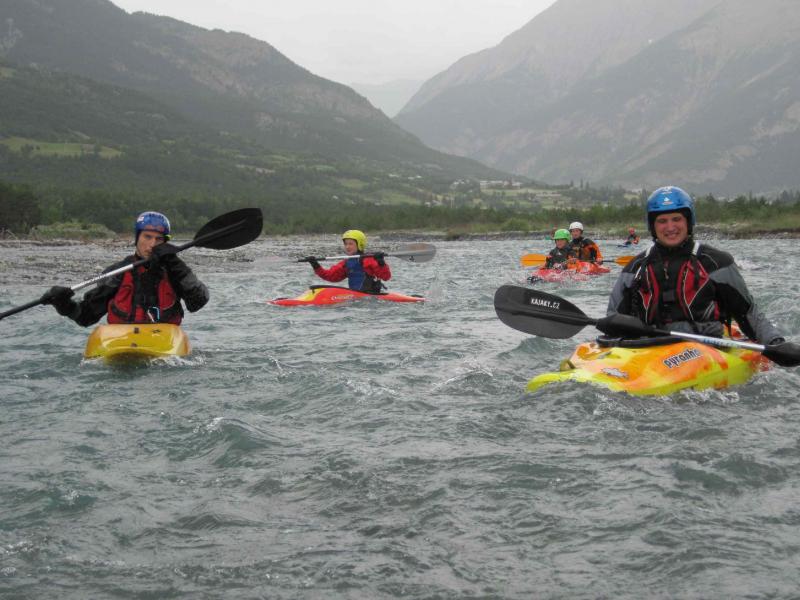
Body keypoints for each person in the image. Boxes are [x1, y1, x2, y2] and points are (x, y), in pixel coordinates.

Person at [607, 186, 800, 364]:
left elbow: (747, 313)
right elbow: (614, 317)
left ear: (688, 222)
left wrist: (775, 342)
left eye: (676, 219)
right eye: (662, 221)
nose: (670, 227)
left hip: (706, 346)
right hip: (649, 346)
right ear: (653, 226)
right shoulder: (635, 268)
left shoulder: (716, 262)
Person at [40, 211, 209, 326]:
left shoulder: (175, 270)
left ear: (166, 242)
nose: (152, 244)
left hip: (164, 346)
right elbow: (86, 317)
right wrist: (64, 305)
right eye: (147, 237)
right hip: (122, 343)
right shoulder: (117, 273)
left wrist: (174, 262)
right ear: (137, 238)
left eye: (158, 239)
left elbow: (198, 302)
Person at [302, 229, 391, 293]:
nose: (347, 247)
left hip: (370, 297)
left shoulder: (369, 259)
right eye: (346, 244)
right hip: (355, 297)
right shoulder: (346, 263)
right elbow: (331, 276)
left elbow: (386, 276)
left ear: (360, 244)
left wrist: (381, 263)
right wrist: (315, 264)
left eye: (350, 244)